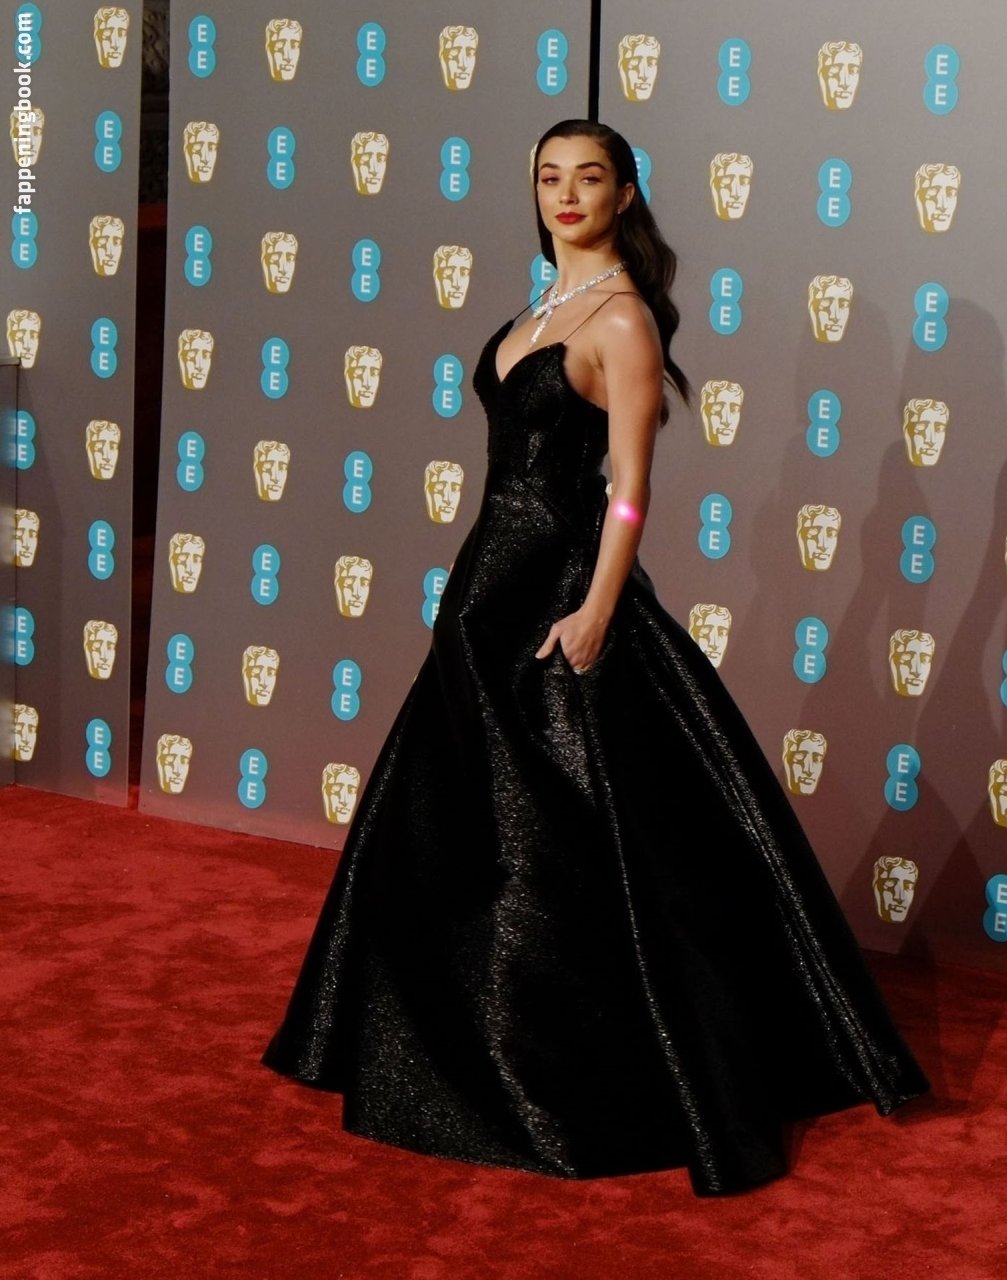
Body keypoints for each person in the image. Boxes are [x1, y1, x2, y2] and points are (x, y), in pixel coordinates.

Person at [263, 119, 928, 1196]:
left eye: (589, 177)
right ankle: (440, 1049)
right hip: (483, 593)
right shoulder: (537, 312)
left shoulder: (621, 319)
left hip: (560, 593)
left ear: (624, 194)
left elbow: (629, 488)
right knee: (456, 820)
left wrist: (598, 610)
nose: (566, 193)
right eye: (549, 177)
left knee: (573, 839)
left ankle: (582, 1074)